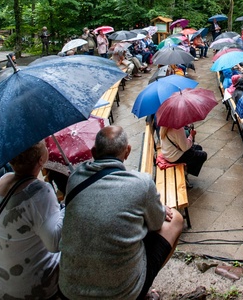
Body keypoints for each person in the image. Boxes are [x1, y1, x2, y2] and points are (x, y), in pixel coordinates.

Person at [60, 126, 182, 300]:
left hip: (69, 291)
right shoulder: (141, 183)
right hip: (121, 294)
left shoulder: (74, 179)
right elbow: (156, 224)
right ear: (128, 151)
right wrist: (159, 210)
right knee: (175, 219)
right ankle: (143, 288)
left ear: (94, 152)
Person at [0, 140, 63, 300]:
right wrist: (68, 208)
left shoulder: (4, 180)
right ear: (41, 160)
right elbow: (54, 243)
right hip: (27, 288)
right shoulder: (39, 191)